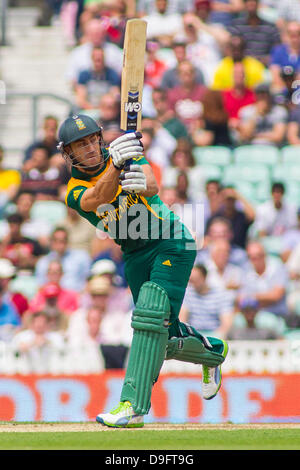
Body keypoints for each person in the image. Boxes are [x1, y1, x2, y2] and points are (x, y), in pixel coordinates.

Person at [56, 112, 228, 428]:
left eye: (92, 139)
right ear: (69, 154)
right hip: (133, 253)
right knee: (161, 335)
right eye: (80, 146)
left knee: (148, 317)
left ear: (99, 137)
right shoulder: (74, 190)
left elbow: (152, 184)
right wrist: (117, 167)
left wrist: (135, 172)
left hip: (169, 241)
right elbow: (98, 197)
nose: (90, 148)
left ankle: (131, 406)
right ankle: (212, 352)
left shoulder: (126, 151)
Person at [180, 263, 235, 339]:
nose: (192, 284)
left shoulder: (221, 295)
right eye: (191, 280)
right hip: (193, 335)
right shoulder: (187, 294)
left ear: (204, 278)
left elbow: (226, 323)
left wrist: (217, 339)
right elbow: (182, 319)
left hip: (215, 335)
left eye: (196, 279)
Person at [238, 240, 289, 317]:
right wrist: (265, 297)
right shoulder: (245, 270)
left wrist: (252, 297)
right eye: (252, 257)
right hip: (252, 315)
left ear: (264, 255)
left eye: (259, 255)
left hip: (276, 314)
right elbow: (241, 299)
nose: (256, 260)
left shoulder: (277, 267)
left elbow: (276, 296)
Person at [35, 226, 92, 291]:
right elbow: (40, 286)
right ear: (51, 242)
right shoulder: (43, 262)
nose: (60, 245)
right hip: (52, 298)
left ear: (68, 242)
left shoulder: (81, 257)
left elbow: (88, 281)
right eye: (56, 241)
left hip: (77, 297)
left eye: (62, 241)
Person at [227, 0, 281, 66]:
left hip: (264, 66)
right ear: (244, 4)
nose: (251, 4)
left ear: (258, 4)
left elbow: (277, 49)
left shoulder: (270, 27)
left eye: (254, 1)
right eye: (248, 1)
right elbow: (232, 49)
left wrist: (268, 59)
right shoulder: (236, 26)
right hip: (243, 66)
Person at [166, 60, 208, 133]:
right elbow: (170, 117)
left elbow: (210, 115)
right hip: (179, 132)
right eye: (183, 72)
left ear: (194, 73)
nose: (187, 74)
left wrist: (200, 123)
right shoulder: (172, 94)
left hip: (200, 130)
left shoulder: (205, 92)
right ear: (178, 75)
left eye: (190, 71)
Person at [74, 46, 121, 111]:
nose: (98, 63)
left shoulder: (112, 74)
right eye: (96, 60)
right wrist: (92, 109)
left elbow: (115, 95)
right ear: (92, 59)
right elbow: (80, 99)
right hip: (88, 109)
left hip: (107, 110)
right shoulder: (84, 74)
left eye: (100, 60)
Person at [270, 21, 300, 91]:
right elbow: (275, 76)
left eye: (298, 34)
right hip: (282, 90)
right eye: (291, 34)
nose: (295, 38)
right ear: (285, 35)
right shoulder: (278, 51)